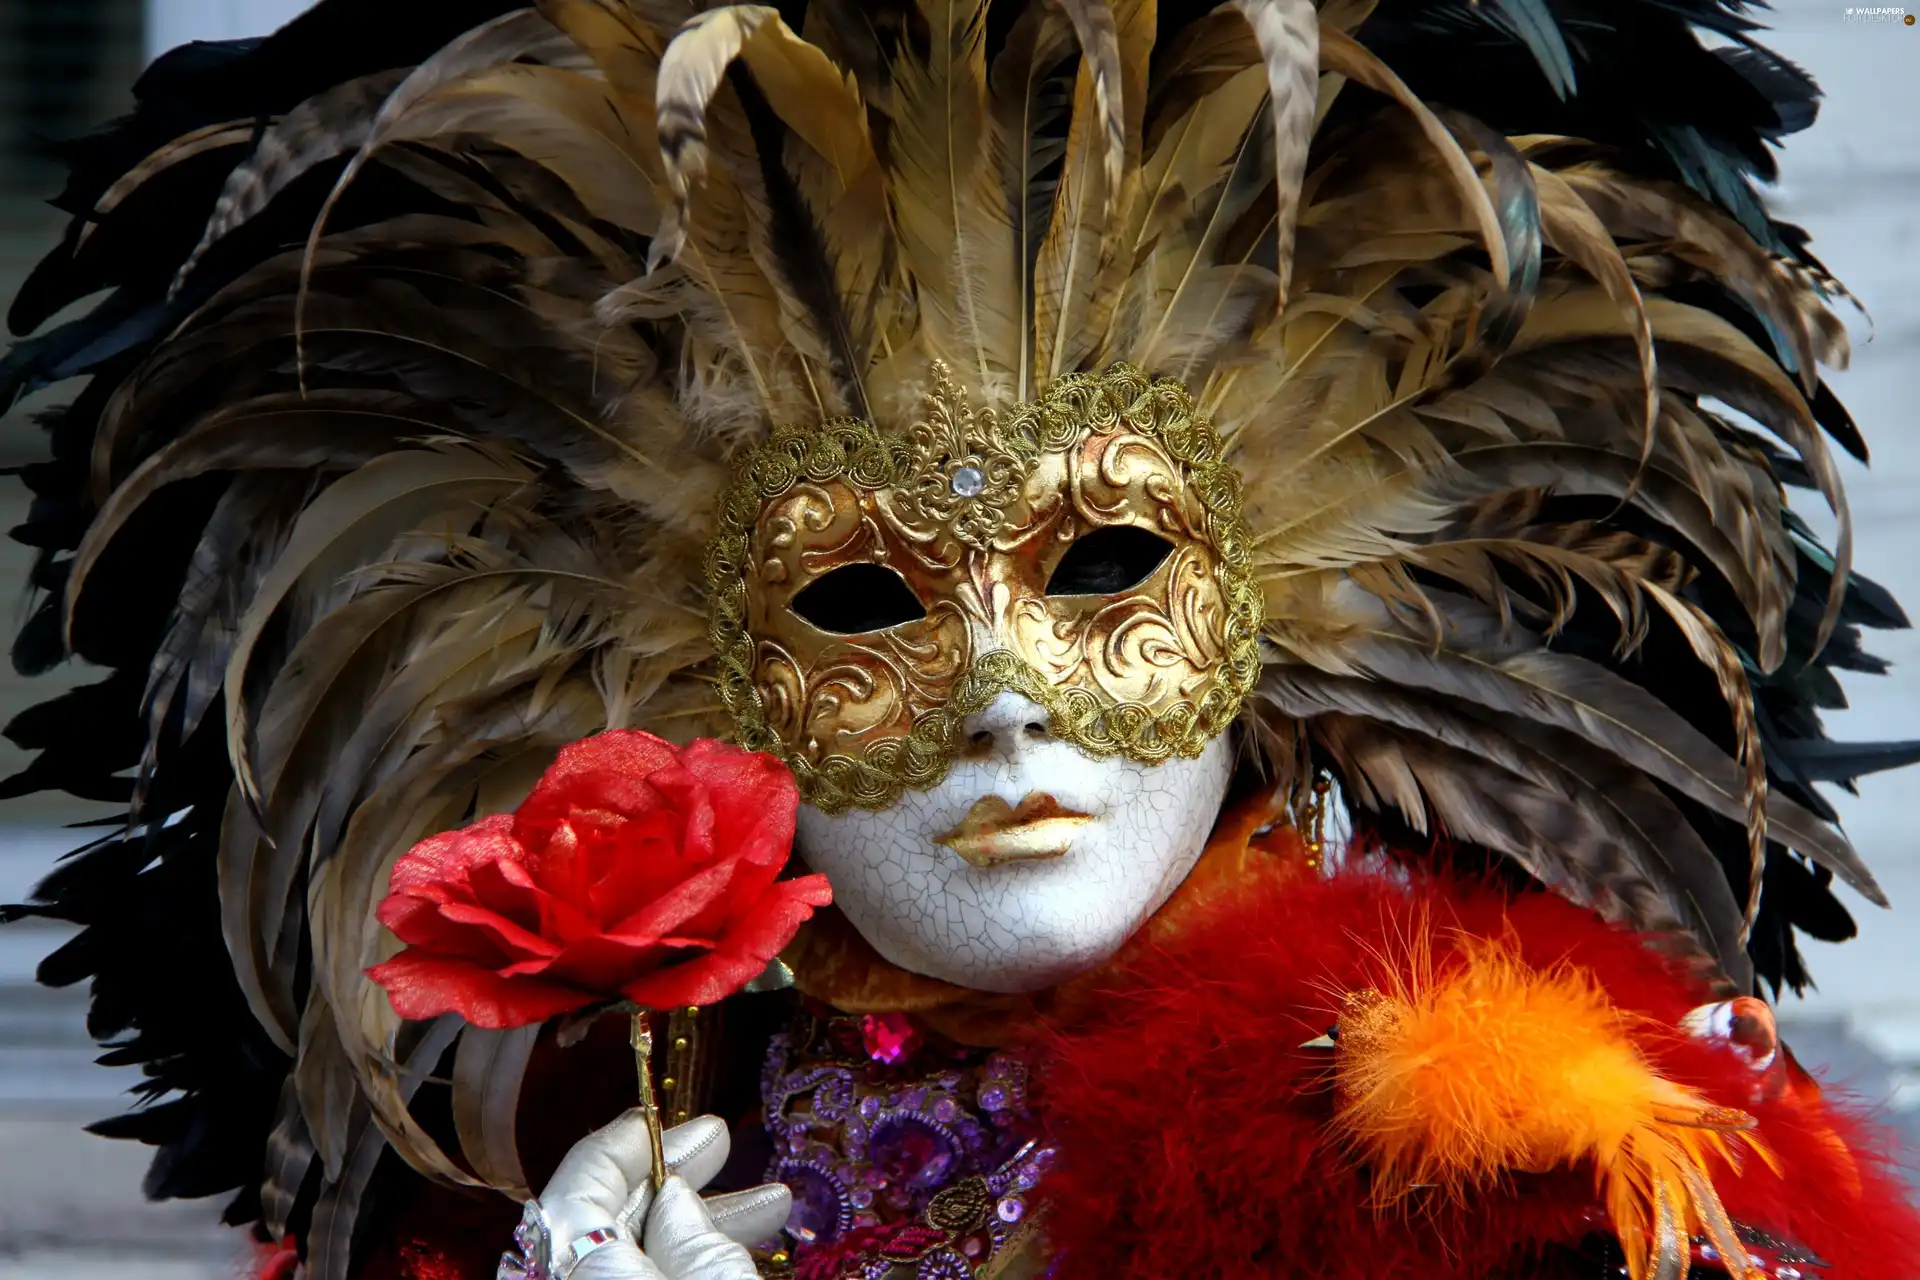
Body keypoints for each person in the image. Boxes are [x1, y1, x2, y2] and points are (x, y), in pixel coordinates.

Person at [4, 2, 1919, 1278]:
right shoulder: (616, 1149)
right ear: (691, 695)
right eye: (862, 604)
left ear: (1282, 622)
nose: (1005, 692)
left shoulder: (1510, 1159)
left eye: (1105, 567)